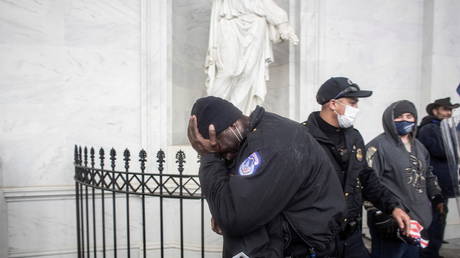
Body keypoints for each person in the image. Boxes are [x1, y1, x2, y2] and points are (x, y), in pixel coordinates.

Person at [188, 96, 345, 257]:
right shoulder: (256, 135)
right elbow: (234, 203)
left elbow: (233, 218)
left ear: (233, 126)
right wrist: (222, 209)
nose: (226, 157)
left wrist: (208, 156)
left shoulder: (269, 144)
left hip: (306, 248)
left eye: (220, 148)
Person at [301, 77, 411, 258]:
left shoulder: (354, 137)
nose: (356, 109)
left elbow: (366, 178)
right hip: (318, 241)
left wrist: (393, 207)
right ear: (333, 104)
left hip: (351, 237)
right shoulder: (303, 138)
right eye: (352, 103)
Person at [366, 100, 444, 258]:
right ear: (389, 119)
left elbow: (427, 172)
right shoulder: (377, 147)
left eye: (409, 116)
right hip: (392, 222)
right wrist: (380, 214)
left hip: (418, 222)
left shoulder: (419, 147)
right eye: (399, 117)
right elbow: (368, 183)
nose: (405, 120)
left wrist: (436, 195)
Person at [205, 0, 298, 114]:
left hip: (256, 23)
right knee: (227, 71)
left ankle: (237, 117)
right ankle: (212, 114)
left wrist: (282, 24)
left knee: (249, 74)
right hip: (230, 19)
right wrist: (281, 21)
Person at [417, 97, 459, 257]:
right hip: (434, 184)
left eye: (450, 110)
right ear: (435, 111)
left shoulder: (445, 128)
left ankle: (433, 251)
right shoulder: (429, 128)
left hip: (444, 184)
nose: (449, 113)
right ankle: (427, 253)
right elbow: (441, 151)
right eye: (445, 109)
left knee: (440, 219)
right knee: (433, 220)